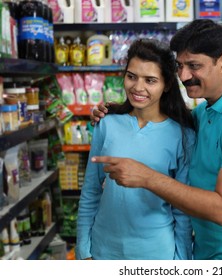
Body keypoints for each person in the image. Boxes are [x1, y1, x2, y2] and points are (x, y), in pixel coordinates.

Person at [91, 19, 222, 260]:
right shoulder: (204, 113)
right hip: (203, 251)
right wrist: (119, 112)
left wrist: (147, 177)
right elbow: (162, 124)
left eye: (194, 66)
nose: (184, 76)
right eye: (180, 66)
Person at [76, 39, 195, 260]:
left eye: (150, 80)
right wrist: (84, 251)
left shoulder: (182, 135)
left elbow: (182, 209)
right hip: (104, 249)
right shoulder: (106, 124)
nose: (138, 88)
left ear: (167, 84)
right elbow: (91, 191)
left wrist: (182, 260)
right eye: (131, 76)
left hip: (157, 254)